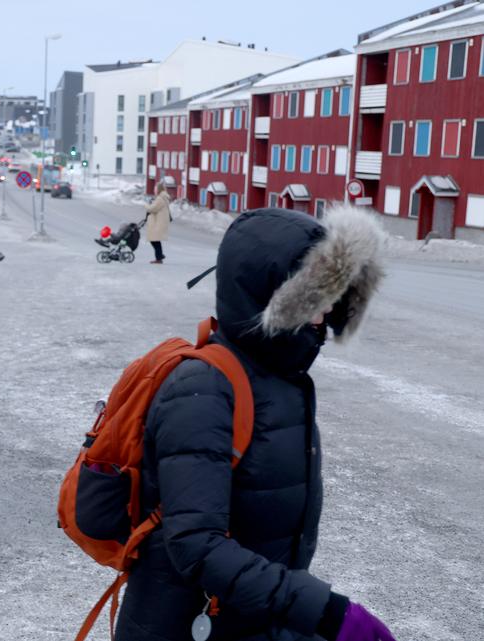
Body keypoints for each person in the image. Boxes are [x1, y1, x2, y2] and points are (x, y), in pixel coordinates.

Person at [115, 206, 398, 641]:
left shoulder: (280, 379)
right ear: (268, 296)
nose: (323, 317)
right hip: (181, 624)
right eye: (314, 299)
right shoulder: (205, 391)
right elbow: (196, 543)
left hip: (249, 616)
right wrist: (324, 612)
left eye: (330, 299)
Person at [145, 181, 171, 264]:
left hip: (158, 223)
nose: (154, 190)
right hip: (160, 222)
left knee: (154, 240)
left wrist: (146, 205)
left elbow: (152, 209)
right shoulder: (163, 197)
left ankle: (159, 257)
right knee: (155, 239)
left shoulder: (160, 198)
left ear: (158, 189)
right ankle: (160, 255)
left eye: (155, 189)